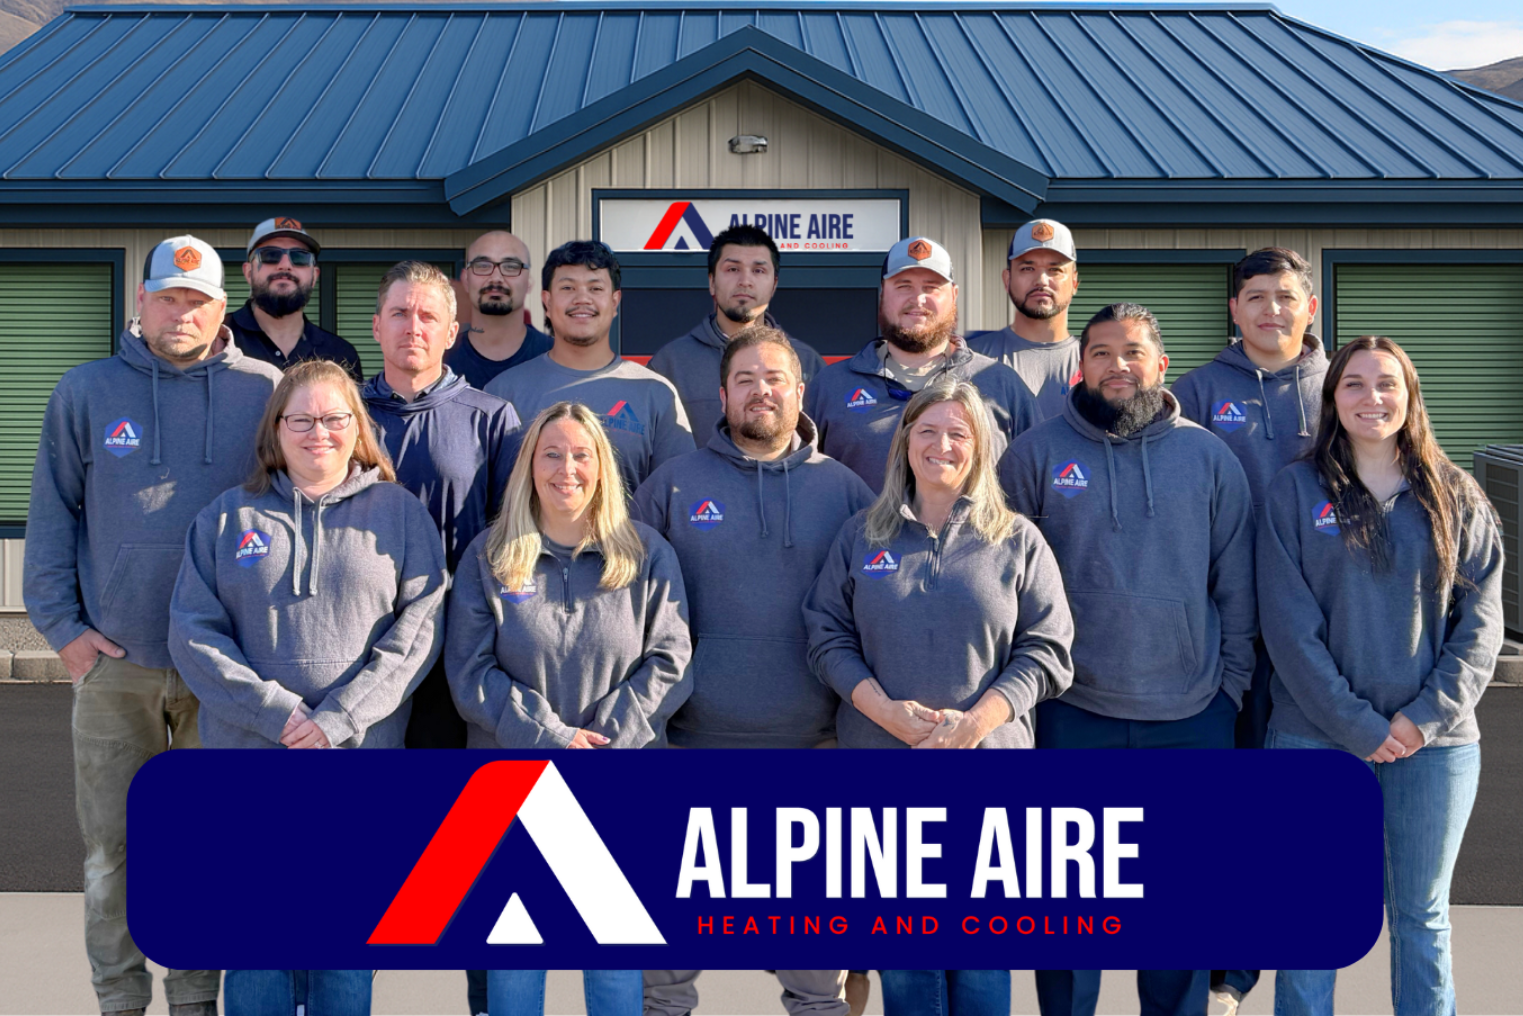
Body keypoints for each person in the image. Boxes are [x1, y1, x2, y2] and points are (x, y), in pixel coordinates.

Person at [23, 235, 282, 1016]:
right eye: (167, 297)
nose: (181, 312)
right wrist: (65, 631)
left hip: (224, 670)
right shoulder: (86, 391)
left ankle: (195, 1001)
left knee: (205, 852)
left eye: (196, 301)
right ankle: (119, 1000)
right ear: (141, 301)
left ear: (220, 308)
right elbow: (49, 518)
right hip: (118, 664)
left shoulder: (265, 390)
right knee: (113, 851)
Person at [998, 303, 1256, 1016]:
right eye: (1102, 351)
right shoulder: (1033, 455)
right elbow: (1004, 581)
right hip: (1072, 714)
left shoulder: (1208, 457)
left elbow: (1235, 586)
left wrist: (1226, 689)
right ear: (1080, 363)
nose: (1117, 365)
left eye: (1133, 351)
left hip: (1189, 715)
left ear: (1160, 363)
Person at [169, 358, 446, 1016]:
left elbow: (419, 632)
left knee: (345, 952)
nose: (317, 431)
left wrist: (338, 718)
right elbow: (193, 634)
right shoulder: (226, 518)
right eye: (301, 419)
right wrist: (278, 715)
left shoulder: (401, 516)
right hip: (250, 769)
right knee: (258, 950)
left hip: (359, 768)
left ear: (357, 428)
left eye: (333, 418)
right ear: (275, 430)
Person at [803, 379, 1073, 1016]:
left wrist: (976, 722)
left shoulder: (1016, 540)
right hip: (884, 779)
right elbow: (825, 635)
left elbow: (1049, 649)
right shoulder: (861, 535)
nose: (941, 444)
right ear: (904, 443)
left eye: (958, 433)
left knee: (982, 970)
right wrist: (884, 712)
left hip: (990, 783)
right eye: (927, 430)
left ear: (979, 447)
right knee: (907, 974)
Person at [1258, 336, 1502, 1016]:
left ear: (1409, 395)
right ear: (1331, 399)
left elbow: (1480, 627)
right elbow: (1286, 625)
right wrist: (1358, 727)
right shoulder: (1293, 491)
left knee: (1421, 918)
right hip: (1314, 739)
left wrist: (1418, 722)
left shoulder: (1455, 495)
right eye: (1354, 385)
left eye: (1386, 383)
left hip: (1436, 746)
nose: (1372, 398)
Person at [633, 326, 868, 1016]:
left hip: (812, 750)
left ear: (799, 390)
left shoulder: (847, 491)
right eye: (744, 379)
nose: (760, 391)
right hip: (691, 747)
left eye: (775, 379)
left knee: (811, 969)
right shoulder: (671, 486)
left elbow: (867, 617)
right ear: (721, 393)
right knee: (669, 963)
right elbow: (633, 613)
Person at [446, 402, 691, 1016]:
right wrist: (553, 738)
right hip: (508, 787)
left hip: (618, 782)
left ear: (602, 467)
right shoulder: (489, 555)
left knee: (612, 972)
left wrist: (603, 741)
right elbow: (470, 672)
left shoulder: (646, 554)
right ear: (529, 466)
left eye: (581, 454)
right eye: (551, 453)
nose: (566, 468)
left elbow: (672, 659)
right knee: (515, 973)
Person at [1169, 248, 1329, 1011]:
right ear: (1233, 310)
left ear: (1309, 307)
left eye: (1285, 297)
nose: (1271, 310)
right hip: (1229, 636)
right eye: (1255, 297)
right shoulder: (1196, 392)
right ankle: (1227, 972)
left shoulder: (1342, 389)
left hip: (1323, 641)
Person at [361, 260, 521, 753]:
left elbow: (512, 538)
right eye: (400, 313)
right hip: (359, 644)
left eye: (428, 317)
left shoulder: (491, 418)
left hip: (455, 644)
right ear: (376, 325)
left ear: (451, 332)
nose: (413, 327)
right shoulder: (341, 417)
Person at [806, 237, 1037, 493]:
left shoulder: (1000, 383)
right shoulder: (831, 385)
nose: (918, 299)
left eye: (931, 287)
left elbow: (1036, 483)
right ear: (883, 294)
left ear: (954, 295)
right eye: (904, 286)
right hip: (859, 534)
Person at [486, 241, 695, 491]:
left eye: (595, 288)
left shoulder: (656, 394)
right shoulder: (504, 393)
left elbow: (678, 496)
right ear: (547, 302)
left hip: (631, 532)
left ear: (615, 301)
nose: (582, 298)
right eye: (568, 287)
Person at [647, 224, 826, 439]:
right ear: (712, 281)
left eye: (758, 270)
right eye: (733, 269)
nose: (745, 281)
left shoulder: (807, 362)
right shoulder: (669, 365)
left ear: (774, 285)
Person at [966, 219, 1082, 420]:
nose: (1041, 281)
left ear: (1074, 282)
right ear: (1007, 280)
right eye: (1027, 268)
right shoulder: (970, 357)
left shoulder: (1096, 362)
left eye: (1054, 270)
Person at [226, 216, 363, 381]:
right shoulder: (217, 339)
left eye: (300, 257)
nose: (285, 264)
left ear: (314, 276)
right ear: (249, 272)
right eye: (270, 255)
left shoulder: (340, 355)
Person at [446, 230, 553, 390]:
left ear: (529, 280)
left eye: (510, 266)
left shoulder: (556, 358)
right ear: (465, 279)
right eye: (483, 266)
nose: (496, 278)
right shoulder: (440, 361)